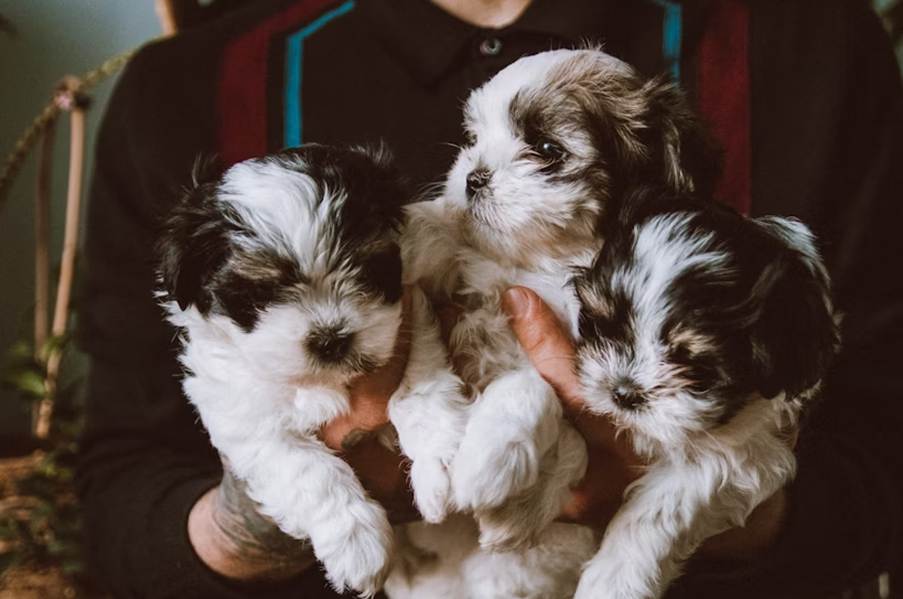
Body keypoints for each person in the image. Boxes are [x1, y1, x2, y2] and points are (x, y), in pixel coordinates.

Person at [76, 0, 903, 597]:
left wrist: (692, 506)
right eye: (471, 141)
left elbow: (880, 451)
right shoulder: (182, 87)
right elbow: (118, 496)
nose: (474, 172)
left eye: (544, 150)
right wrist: (260, 519)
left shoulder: (813, 43)